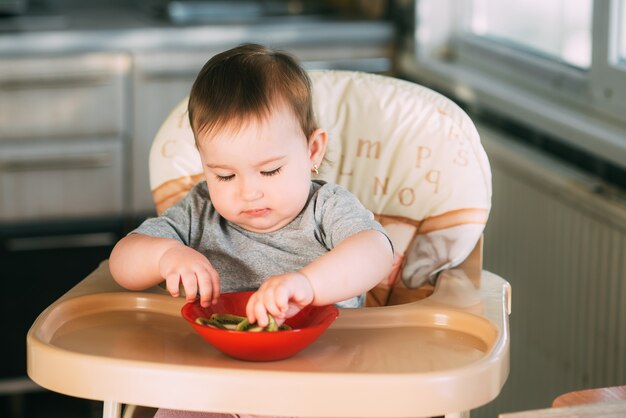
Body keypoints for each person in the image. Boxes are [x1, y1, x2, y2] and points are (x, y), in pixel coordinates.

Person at [109, 43, 394, 417]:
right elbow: (122, 263)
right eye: (224, 175)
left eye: (270, 170)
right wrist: (166, 256)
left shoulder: (326, 207)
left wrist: (308, 284)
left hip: (320, 380)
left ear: (312, 151)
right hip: (214, 379)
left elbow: (375, 252)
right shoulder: (200, 210)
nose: (248, 191)